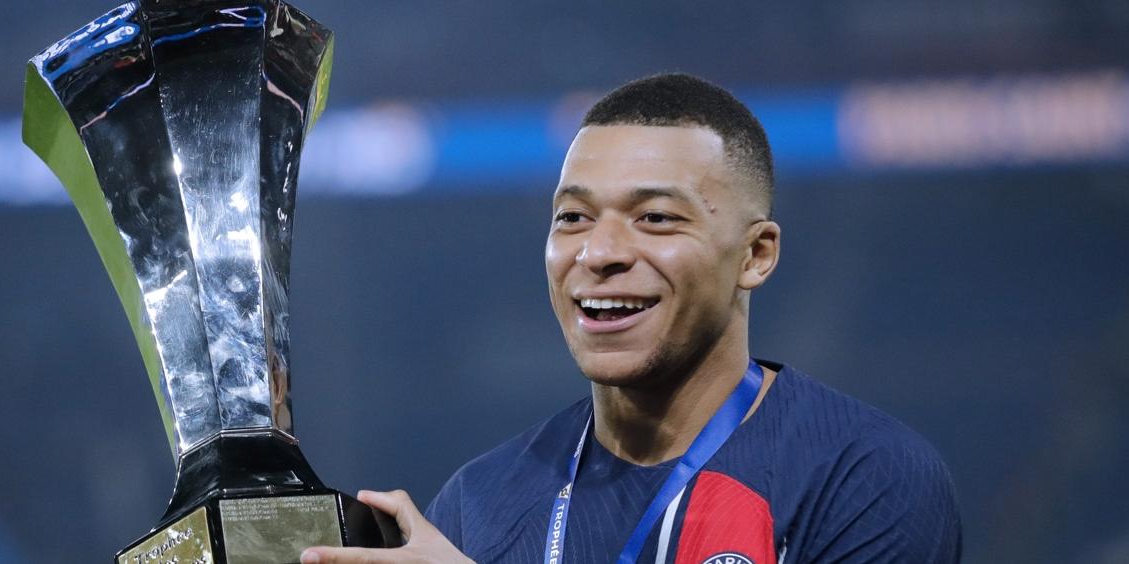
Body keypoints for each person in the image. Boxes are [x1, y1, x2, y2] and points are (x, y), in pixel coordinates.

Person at [301, 73, 961, 564]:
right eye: (572, 218)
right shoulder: (483, 500)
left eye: (656, 218)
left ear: (754, 255)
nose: (600, 253)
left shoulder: (864, 474)